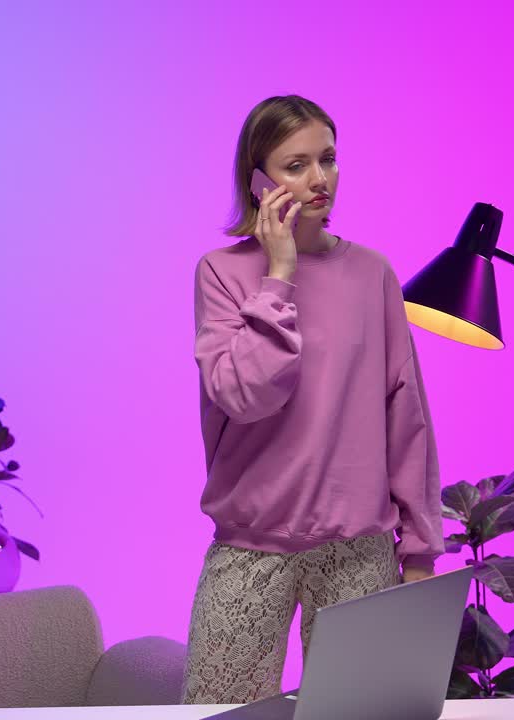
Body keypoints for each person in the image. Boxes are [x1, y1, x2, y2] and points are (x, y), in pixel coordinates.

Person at [181, 95, 444, 705]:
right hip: (250, 545)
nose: (319, 179)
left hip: (358, 551)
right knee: (221, 713)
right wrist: (278, 273)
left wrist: (421, 554)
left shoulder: (373, 273)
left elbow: (406, 418)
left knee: (363, 716)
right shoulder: (220, 272)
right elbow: (245, 395)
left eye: (328, 159)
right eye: (295, 165)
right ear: (257, 179)